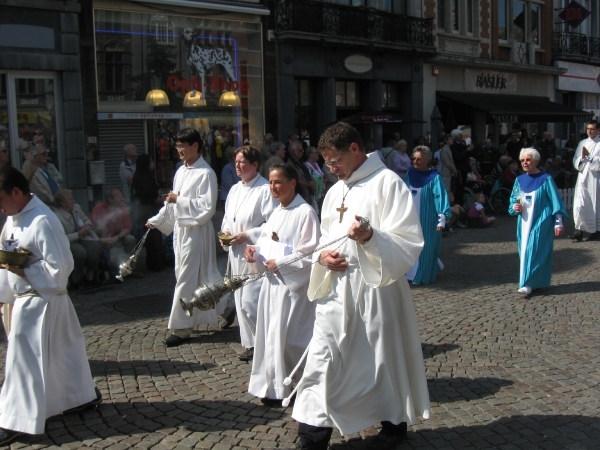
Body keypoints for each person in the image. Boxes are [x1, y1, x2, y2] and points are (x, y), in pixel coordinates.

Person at [292, 123, 430, 450]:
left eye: (335, 160)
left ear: (355, 150)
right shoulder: (336, 190)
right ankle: (311, 437)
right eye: (326, 163)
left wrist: (369, 238)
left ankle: (394, 425)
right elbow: (325, 237)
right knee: (321, 359)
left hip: (376, 288)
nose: (332, 168)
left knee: (381, 360)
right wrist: (323, 256)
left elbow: (408, 240)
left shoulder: (387, 184)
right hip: (336, 289)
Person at [0, 167, 101, 445]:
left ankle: (15, 420)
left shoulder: (43, 219)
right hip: (25, 299)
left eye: (1, 198)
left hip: (42, 302)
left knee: (23, 363)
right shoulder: (12, 219)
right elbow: (8, 254)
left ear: (16, 192)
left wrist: (25, 272)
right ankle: (79, 396)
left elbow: (62, 267)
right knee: (64, 358)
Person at [244, 163, 320, 406]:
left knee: (291, 339)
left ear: (292, 183)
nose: (273, 187)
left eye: (277, 182)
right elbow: (267, 240)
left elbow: (310, 252)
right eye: (270, 182)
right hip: (272, 284)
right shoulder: (277, 211)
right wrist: (254, 250)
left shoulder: (304, 212)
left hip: (292, 288)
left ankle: (302, 384)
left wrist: (283, 262)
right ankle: (275, 386)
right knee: (271, 335)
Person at [147, 128, 227, 347]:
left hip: (197, 231)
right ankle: (226, 308)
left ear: (196, 146)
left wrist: (179, 200)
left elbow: (207, 208)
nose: (180, 150)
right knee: (203, 276)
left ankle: (182, 328)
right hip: (182, 231)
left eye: (183, 146)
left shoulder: (206, 173)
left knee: (187, 277)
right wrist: (157, 220)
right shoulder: (180, 171)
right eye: (177, 146)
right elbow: (171, 203)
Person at [220, 146, 277, 361]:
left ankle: (264, 341)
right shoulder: (235, 189)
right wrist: (226, 231)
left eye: (242, 161)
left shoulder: (264, 189)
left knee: (250, 301)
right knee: (239, 297)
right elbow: (228, 217)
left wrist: (249, 235)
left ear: (255, 165)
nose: (237, 165)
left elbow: (273, 223)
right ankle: (251, 343)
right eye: (236, 161)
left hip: (255, 252)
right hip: (235, 251)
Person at [509, 148, 567, 296]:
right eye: (522, 160)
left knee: (534, 250)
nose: (525, 163)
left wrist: (558, 222)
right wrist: (514, 207)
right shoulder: (519, 180)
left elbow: (555, 201)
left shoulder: (546, 179)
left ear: (535, 161)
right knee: (525, 252)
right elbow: (513, 200)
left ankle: (526, 283)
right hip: (523, 222)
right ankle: (534, 281)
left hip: (542, 220)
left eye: (528, 160)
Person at [404, 146, 451, 285]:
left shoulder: (434, 178)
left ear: (427, 160)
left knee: (426, 247)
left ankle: (421, 275)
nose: (415, 162)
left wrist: (441, 219)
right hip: (411, 218)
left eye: (419, 159)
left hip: (428, 219)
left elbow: (440, 198)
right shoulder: (409, 174)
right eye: (414, 159)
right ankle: (410, 272)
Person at [52, 188, 102, 288]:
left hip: (83, 236)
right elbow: (62, 238)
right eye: (70, 199)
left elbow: (87, 220)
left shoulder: (76, 208)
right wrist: (78, 234)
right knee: (80, 252)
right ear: (62, 203)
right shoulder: (56, 216)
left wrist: (86, 226)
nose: (73, 201)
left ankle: (90, 276)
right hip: (69, 241)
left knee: (95, 246)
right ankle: (76, 276)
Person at [90, 188, 139, 275]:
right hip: (101, 238)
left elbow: (127, 228)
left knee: (130, 239)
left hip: (116, 235)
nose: (122, 198)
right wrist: (102, 239)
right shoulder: (98, 208)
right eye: (119, 197)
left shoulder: (122, 207)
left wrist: (116, 237)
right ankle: (108, 269)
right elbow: (92, 229)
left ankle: (129, 267)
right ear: (110, 200)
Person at [131, 154, 165, 271]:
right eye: (151, 161)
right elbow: (153, 196)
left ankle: (153, 263)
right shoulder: (145, 178)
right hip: (149, 210)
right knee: (154, 238)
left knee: (150, 238)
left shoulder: (138, 176)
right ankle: (156, 264)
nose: (153, 163)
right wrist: (162, 200)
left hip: (143, 211)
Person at [571, 120, 600, 242]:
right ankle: (579, 231)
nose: (589, 131)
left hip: (595, 178)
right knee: (579, 203)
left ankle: (596, 231)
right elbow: (576, 160)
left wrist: (590, 157)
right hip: (583, 177)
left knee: (594, 203)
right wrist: (582, 159)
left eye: (592, 129)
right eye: (588, 129)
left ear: (598, 130)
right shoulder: (582, 142)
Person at [304, 147, 325, 212]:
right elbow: (310, 178)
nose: (317, 154)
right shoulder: (307, 165)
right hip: (314, 193)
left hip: (321, 191)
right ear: (310, 155)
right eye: (315, 153)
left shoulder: (316, 164)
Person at [220, 146, 241, 210]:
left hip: (237, 198)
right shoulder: (228, 168)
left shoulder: (240, 166)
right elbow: (229, 185)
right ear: (233, 157)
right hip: (227, 198)